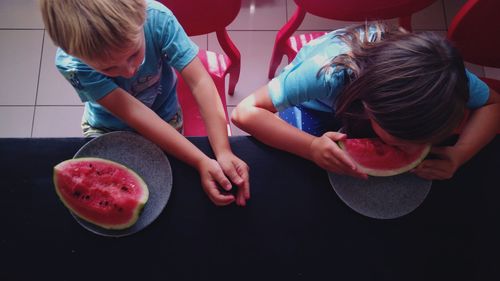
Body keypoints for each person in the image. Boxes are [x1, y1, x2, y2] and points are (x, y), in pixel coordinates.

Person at [40, 0, 250, 206]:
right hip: (106, 128)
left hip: (165, 115)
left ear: (141, 16)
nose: (129, 71)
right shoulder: (73, 64)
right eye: (109, 69)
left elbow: (200, 82)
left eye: (133, 54)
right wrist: (200, 160)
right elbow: (133, 112)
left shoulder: (157, 19)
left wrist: (222, 151)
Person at [232, 23, 500, 180]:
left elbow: (493, 105)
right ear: (371, 109)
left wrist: (459, 154)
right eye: (398, 143)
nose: (409, 151)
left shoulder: (446, 79)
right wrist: (311, 147)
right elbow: (245, 112)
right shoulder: (327, 73)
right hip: (315, 105)